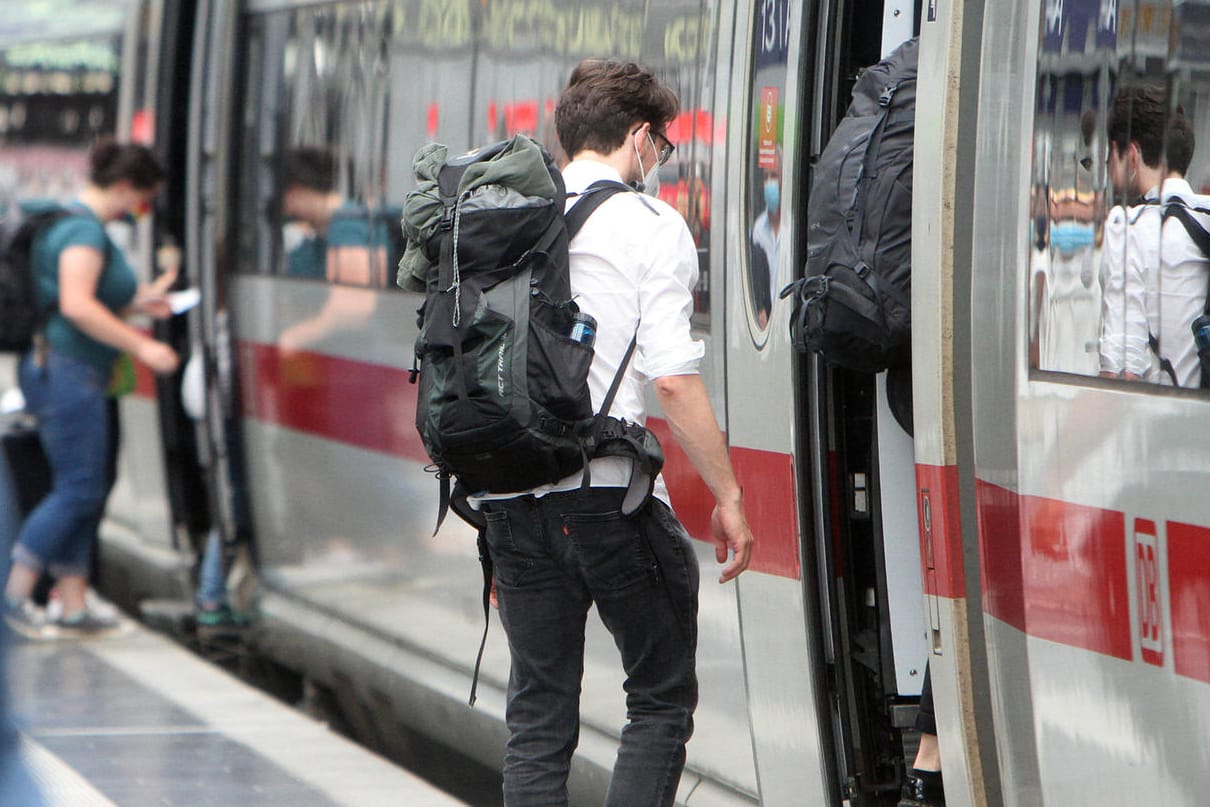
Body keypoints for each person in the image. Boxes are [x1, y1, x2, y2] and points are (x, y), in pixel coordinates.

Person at [475, 60, 755, 807]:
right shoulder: (652, 225)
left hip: (509, 498)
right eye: (660, 145)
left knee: (537, 715)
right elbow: (672, 379)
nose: (658, 160)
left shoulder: (503, 217)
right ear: (639, 138)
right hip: (607, 499)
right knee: (659, 697)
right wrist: (728, 494)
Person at [3, 140, 179, 637]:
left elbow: (76, 302)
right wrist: (142, 347)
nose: (139, 212)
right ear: (123, 188)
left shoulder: (68, 223)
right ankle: (14, 595)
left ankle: (74, 603)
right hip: (69, 372)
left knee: (81, 488)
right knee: (79, 490)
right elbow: (78, 306)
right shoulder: (83, 230)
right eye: (142, 201)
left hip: (62, 368)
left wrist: (138, 302)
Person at [1098, 85, 1208, 386]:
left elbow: (1122, 369)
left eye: (1111, 154)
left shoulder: (1128, 226)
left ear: (1131, 156)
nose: (1108, 166)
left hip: (1163, 425)